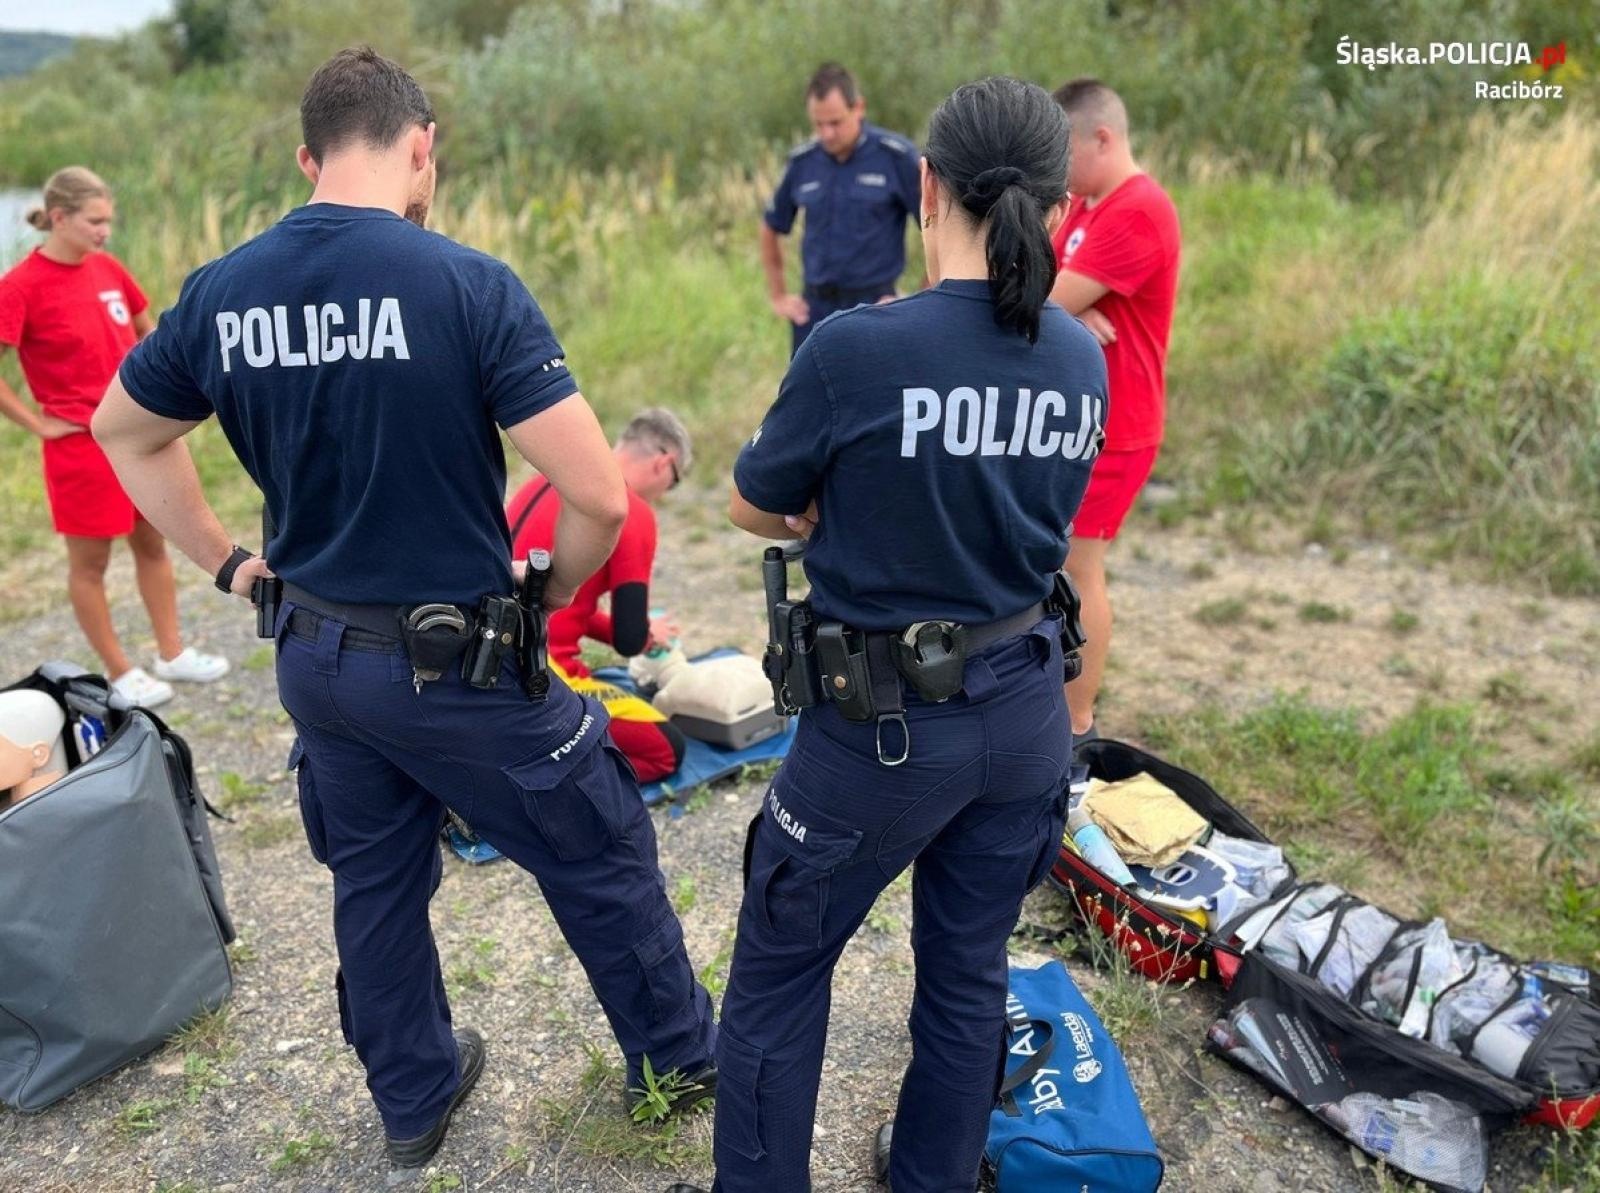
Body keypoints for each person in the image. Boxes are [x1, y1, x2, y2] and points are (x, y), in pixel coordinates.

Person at [91, 48, 715, 1168]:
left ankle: (412, 1100)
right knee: (598, 840)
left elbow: (121, 431)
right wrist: (561, 593)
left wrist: (232, 564)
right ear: (420, 149)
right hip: (460, 666)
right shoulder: (464, 282)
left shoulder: (224, 289)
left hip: (319, 655)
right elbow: (597, 491)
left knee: (375, 878)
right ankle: (676, 1054)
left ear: (307, 157)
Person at [673, 77, 1107, 1193]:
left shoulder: (856, 348)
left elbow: (748, 500)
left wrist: (831, 505)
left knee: (777, 974)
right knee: (966, 976)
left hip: (880, 734)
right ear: (1056, 207)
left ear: (927, 187)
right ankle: (932, 1174)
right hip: (1023, 716)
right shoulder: (1078, 354)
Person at [0, 167, 229, 707]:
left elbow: (151, 336)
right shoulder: (19, 287)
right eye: (95, 221)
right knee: (91, 565)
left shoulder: (108, 269)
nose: (105, 231)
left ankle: (171, 654)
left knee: (153, 542)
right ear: (59, 218)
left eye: (109, 221)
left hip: (140, 438)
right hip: (79, 449)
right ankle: (120, 671)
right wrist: (37, 422)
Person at [1047, 79, 1181, 744]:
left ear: (1103, 138)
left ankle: (1077, 719)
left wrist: (1052, 301)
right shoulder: (1085, 204)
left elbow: (1036, 294)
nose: (1057, 170)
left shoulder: (1138, 209)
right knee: (1052, 559)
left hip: (1117, 425)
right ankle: (1051, 694)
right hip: (1071, 416)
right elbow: (1028, 278)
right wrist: (1055, 301)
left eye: (1064, 151)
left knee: (1079, 562)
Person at [507, 406, 691, 782]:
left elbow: (556, 598)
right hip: (540, 674)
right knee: (667, 749)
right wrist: (644, 635)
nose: (664, 495)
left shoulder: (544, 481)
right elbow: (629, 638)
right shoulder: (630, 510)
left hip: (490, 656)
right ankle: (532, 784)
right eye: (673, 483)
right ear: (664, 462)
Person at [761, 62, 922, 356]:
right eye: (818, 124)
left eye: (835, 123)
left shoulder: (895, 158)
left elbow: (939, 225)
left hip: (875, 310)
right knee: (810, 400)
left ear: (858, 108)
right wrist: (779, 295)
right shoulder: (803, 163)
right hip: (815, 312)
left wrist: (922, 300)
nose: (827, 134)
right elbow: (772, 224)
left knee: (875, 400)